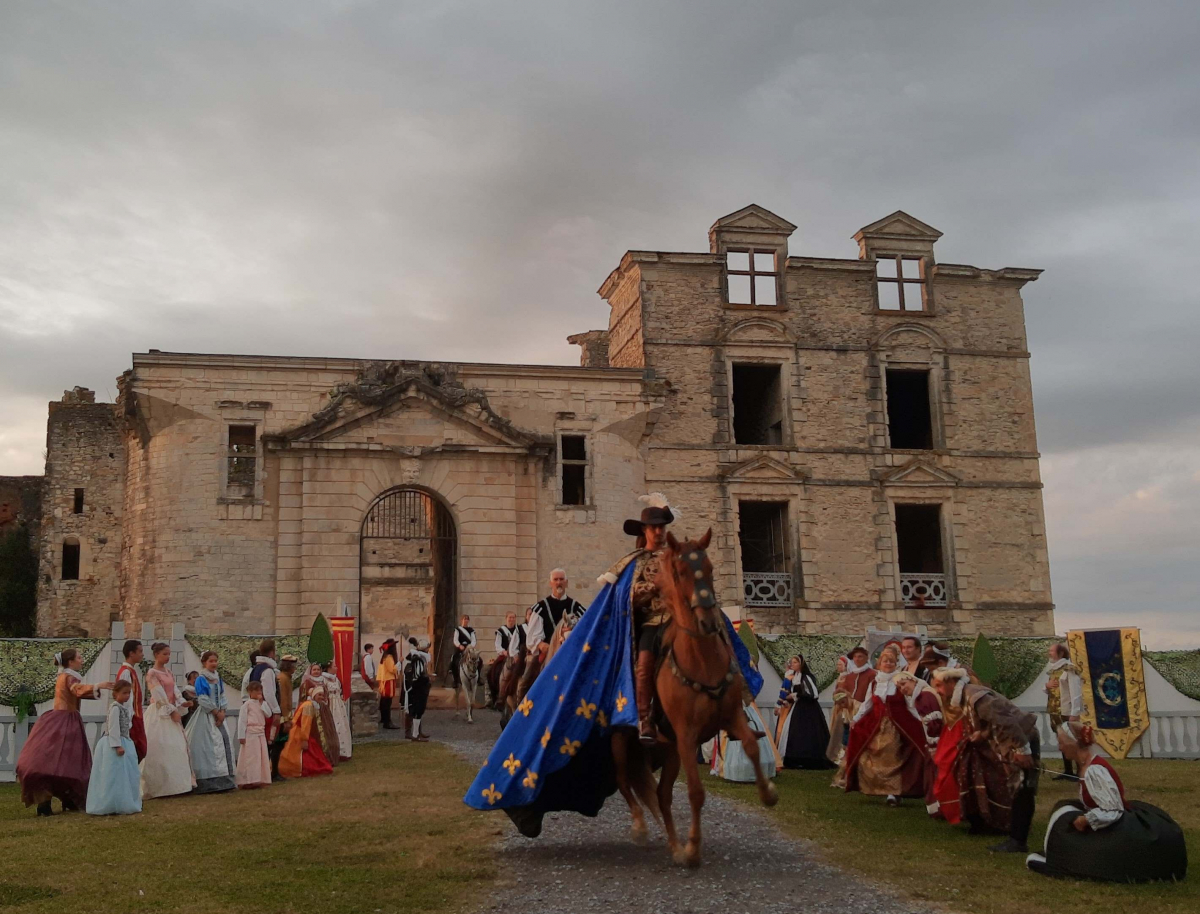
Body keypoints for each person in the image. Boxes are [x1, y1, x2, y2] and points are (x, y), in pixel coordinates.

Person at [1026, 722, 1187, 882]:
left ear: (1073, 743)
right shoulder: (1086, 766)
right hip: (1108, 816)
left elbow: (1112, 810)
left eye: (1061, 743)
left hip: (1115, 822)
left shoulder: (1094, 771)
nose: (1060, 748)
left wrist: (1086, 819)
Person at [932, 666, 1039, 853]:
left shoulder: (976, 697)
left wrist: (1023, 750)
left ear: (951, 682)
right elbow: (995, 721)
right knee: (1017, 789)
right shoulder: (968, 696)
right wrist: (982, 734)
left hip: (1022, 739)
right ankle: (1016, 837)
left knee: (1022, 789)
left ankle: (1018, 841)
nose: (938, 691)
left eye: (940, 686)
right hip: (1014, 741)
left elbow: (1007, 721)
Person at [16, 648, 112, 815]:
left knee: (61, 759)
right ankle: (65, 798)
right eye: (79, 657)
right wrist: (99, 685)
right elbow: (76, 689)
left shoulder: (64, 676)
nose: (81, 660)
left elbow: (76, 691)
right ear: (70, 662)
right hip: (65, 721)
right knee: (69, 759)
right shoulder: (68, 677)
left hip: (59, 718)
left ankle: (62, 798)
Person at [617, 494, 675, 745]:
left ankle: (730, 709)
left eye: (662, 527)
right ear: (645, 530)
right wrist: (653, 586)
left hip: (678, 620)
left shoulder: (676, 556)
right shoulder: (635, 561)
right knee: (644, 666)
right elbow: (627, 596)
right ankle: (644, 718)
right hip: (651, 623)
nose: (660, 532)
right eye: (655, 527)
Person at [843, 646, 930, 807]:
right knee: (869, 754)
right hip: (876, 724)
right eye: (885, 661)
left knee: (893, 756)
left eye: (891, 661)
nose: (888, 663)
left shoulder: (900, 680)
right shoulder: (875, 682)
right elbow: (868, 703)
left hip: (897, 725)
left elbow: (910, 703)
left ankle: (894, 792)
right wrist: (856, 718)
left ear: (896, 663)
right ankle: (875, 787)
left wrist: (921, 720)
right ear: (880, 663)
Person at [141, 642, 195, 799]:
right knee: (160, 746)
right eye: (165, 654)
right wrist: (171, 711)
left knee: (176, 747)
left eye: (169, 654)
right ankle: (158, 786)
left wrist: (181, 702)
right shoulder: (152, 673)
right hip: (159, 712)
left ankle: (177, 785)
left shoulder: (168, 671)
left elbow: (175, 690)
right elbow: (159, 694)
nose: (167, 657)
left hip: (171, 709)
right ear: (156, 655)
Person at [85, 678, 142, 816]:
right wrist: (117, 745)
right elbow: (113, 728)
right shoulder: (115, 708)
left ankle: (124, 800)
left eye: (129, 693)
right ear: (115, 694)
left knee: (126, 773)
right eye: (124, 693)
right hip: (115, 743)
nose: (127, 696)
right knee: (112, 774)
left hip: (125, 740)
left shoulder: (123, 708)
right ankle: (109, 802)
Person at [186, 650, 236, 794]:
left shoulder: (217, 677)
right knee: (208, 747)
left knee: (222, 743)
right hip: (207, 715)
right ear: (204, 663)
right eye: (211, 661)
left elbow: (222, 695)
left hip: (219, 714)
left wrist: (223, 712)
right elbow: (202, 699)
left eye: (215, 661)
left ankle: (226, 781)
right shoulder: (202, 679)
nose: (214, 663)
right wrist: (215, 712)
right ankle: (209, 782)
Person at [895, 671, 943, 815]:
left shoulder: (924, 696)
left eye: (903, 684)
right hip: (934, 742)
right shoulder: (920, 696)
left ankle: (940, 808)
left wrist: (934, 744)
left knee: (935, 775)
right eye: (899, 687)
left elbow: (934, 722)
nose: (902, 689)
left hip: (937, 743)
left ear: (913, 681)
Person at [776, 655, 835, 770]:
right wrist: (788, 699)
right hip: (797, 707)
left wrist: (796, 695)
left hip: (809, 709)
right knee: (793, 732)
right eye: (792, 662)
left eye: (795, 662)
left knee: (808, 733)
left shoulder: (806, 677)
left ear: (801, 664)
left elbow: (814, 694)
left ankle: (809, 759)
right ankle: (794, 759)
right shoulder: (794, 677)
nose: (793, 664)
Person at [827, 646, 876, 772]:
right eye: (855, 657)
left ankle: (864, 769)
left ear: (866, 658)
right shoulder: (849, 676)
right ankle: (848, 768)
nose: (857, 659)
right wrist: (840, 698)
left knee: (864, 741)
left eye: (860, 656)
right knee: (847, 741)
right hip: (848, 714)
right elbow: (842, 692)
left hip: (866, 713)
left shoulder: (872, 674)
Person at [1043, 643, 1082, 780]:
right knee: (1062, 741)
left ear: (1060, 654)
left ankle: (1080, 771)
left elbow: (1076, 692)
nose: (1049, 653)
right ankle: (1068, 771)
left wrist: (1075, 713)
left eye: (1052, 651)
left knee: (1072, 741)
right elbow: (1049, 690)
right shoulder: (1053, 670)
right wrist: (1046, 686)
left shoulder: (1069, 669)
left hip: (1066, 711)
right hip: (1054, 711)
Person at [278, 687, 333, 778]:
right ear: (314, 695)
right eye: (319, 695)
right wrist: (304, 738)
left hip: (296, 729)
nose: (321, 697)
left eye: (322, 695)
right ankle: (296, 769)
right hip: (299, 731)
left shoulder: (306, 703)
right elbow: (305, 723)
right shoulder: (308, 706)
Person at [527, 569, 588, 651]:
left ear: (566, 583)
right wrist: (540, 644)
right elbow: (532, 637)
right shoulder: (541, 608)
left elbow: (585, 631)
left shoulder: (577, 608)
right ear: (550, 583)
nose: (559, 582)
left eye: (561, 579)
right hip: (548, 651)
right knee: (533, 663)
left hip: (570, 650)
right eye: (555, 579)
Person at [300, 663, 341, 765]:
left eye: (318, 669)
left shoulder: (323, 681)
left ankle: (329, 757)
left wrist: (325, 703)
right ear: (310, 671)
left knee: (328, 732)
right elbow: (303, 697)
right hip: (312, 710)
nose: (316, 671)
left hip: (323, 709)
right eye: (314, 670)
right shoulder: (307, 682)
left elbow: (326, 694)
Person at [235, 680, 272, 789]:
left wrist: (262, 703)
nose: (258, 693)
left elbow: (268, 714)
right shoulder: (246, 705)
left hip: (260, 732)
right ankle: (248, 779)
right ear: (250, 692)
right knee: (251, 756)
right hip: (250, 733)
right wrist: (241, 735)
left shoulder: (263, 704)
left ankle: (260, 778)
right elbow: (242, 721)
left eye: (260, 690)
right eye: (255, 691)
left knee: (261, 756)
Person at [115, 640, 148, 762]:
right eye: (140, 651)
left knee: (139, 750)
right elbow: (126, 700)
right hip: (131, 719)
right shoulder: (126, 672)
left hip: (135, 717)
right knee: (136, 750)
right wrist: (128, 723)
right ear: (131, 653)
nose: (142, 654)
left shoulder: (131, 671)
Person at [322, 661, 353, 760]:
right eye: (334, 666)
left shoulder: (336, 679)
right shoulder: (324, 679)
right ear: (328, 668)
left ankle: (344, 751)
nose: (336, 668)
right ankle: (333, 751)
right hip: (330, 704)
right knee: (334, 725)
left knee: (342, 725)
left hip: (338, 704)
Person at [488, 611, 518, 708]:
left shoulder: (518, 630)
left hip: (516, 656)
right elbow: (498, 645)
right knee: (492, 671)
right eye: (510, 617)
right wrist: (504, 652)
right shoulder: (501, 631)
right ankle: (495, 695)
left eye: (513, 618)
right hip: (505, 655)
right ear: (506, 618)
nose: (511, 619)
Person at [404, 637, 432, 742]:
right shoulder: (418, 659)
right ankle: (415, 735)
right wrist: (427, 679)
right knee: (417, 711)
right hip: (418, 688)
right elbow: (418, 676)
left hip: (417, 688)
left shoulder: (417, 657)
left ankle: (416, 734)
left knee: (418, 711)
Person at [377, 639, 400, 729]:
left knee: (384, 700)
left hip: (384, 680)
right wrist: (399, 662)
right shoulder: (389, 657)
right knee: (387, 701)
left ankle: (384, 718)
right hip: (388, 680)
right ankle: (387, 721)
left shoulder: (384, 657)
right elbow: (392, 669)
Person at [451, 615, 477, 689]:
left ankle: (477, 678)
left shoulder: (471, 630)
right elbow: (455, 640)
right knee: (454, 660)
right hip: (460, 648)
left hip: (469, 649)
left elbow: (474, 640)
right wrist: (459, 645)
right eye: (464, 619)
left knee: (479, 660)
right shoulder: (458, 629)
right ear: (461, 620)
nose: (465, 621)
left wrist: (470, 647)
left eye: (467, 619)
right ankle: (455, 680)